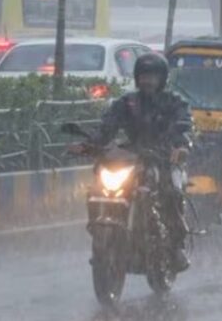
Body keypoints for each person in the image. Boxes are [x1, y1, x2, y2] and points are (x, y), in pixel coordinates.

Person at [74, 53, 193, 271]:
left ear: (162, 78)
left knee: (171, 192)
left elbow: (183, 125)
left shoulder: (174, 102)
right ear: (137, 77)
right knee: (99, 184)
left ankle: (176, 247)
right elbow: (107, 127)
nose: (148, 80)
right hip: (133, 155)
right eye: (144, 76)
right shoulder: (127, 103)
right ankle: (100, 229)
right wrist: (90, 143)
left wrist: (179, 146)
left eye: (153, 76)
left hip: (163, 157)